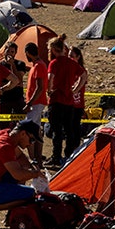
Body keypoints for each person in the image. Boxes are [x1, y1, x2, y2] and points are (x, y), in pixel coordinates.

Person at [46, 36, 84, 168]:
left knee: (56, 130)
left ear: (53, 50)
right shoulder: (72, 63)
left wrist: (49, 90)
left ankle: (56, 157)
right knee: (69, 130)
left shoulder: (54, 63)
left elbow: (50, 77)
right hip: (69, 101)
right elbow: (84, 75)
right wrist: (76, 88)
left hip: (56, 100)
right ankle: (69, 155)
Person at [23, 42, 48, 164]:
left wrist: (30, 103)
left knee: (28, 130)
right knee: (36, 131)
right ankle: (37, 158)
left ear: (28, 53)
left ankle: (33, 158)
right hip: (36, 102)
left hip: (36, 103)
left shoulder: (38, 66)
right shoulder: (38, 65)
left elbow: (40, 87)